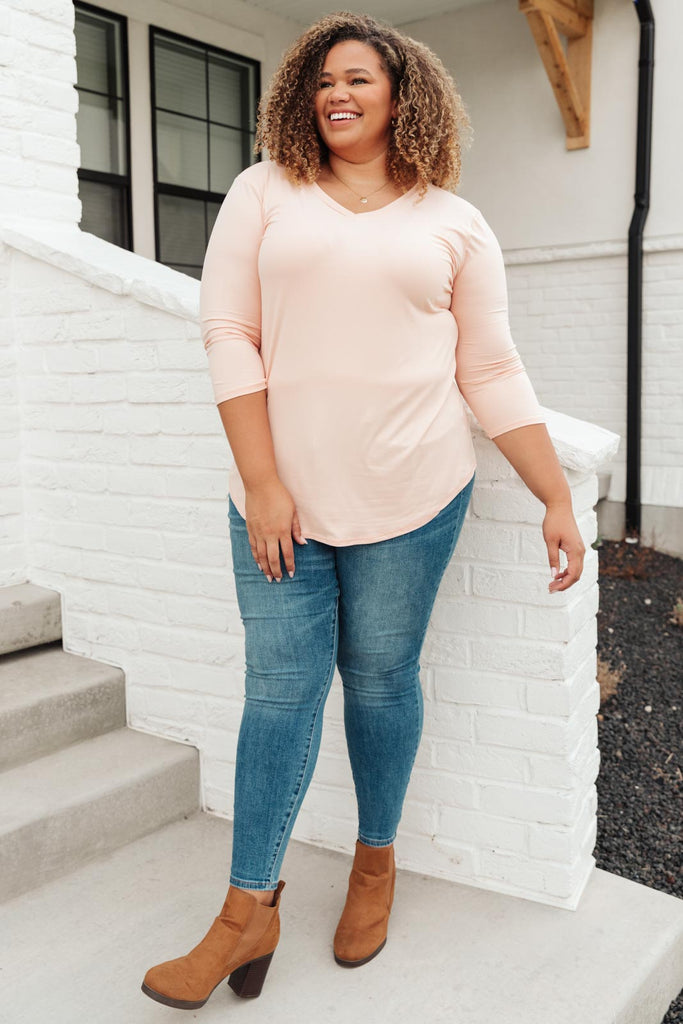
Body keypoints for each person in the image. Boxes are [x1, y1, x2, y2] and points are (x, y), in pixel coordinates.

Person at [141, 10, 585, 1010]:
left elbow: (489, 367)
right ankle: (245, 910)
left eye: (357, 79)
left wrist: (553, 492)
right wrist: (261, 480)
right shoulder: (263, 193)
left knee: (380, 682)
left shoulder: (453, 225)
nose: (335, 94)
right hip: (278, 507)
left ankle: (373, 866)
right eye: (321, 80)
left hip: (413, 495)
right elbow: (228, 332)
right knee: (278, 692)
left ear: (401, 95)